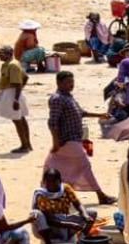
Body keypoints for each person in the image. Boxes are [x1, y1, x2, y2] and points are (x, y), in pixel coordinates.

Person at [44, 71, 113, 204]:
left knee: (53, 166)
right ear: (58, 83)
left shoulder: (68, 97)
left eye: (72, 82)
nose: (71, 85)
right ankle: (101, 195)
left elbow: (81, 113)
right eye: (68, 82)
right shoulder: (57, 99)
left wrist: (99, 115)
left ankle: (52, 195)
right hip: (67, 140)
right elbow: (52, 122)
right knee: (84, 166)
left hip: (73, 139)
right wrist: (55, 142)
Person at [30, 168, 96, 244]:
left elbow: (77, 204)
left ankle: (81, 241)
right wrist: (70, 225)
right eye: (48, 182)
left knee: (92, 213)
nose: (51, 184)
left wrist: (85, 215)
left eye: (54, 181)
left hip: (65, 220)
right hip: (50, 227)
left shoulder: (65, 188)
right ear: (44, 182)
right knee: (38, 214)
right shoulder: (41, 195)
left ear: (60, 181)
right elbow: (49, 220)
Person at [0, 46, 32, 153]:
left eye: (1, 53)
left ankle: (24, 145)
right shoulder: (8, 64)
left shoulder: (12, 65)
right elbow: (25, 77)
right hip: (13, 93)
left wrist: (15, 99)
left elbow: (18, 83)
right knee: (21, 119)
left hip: (12, 94)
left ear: (9, 54)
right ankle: (27, 144)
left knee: (17, 120)